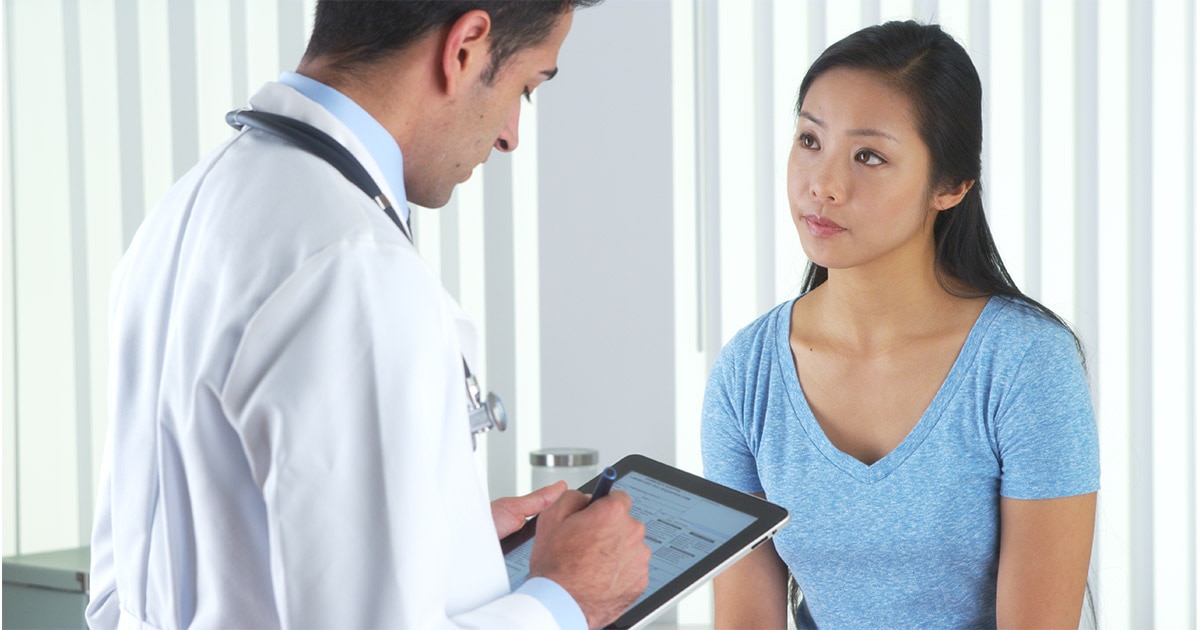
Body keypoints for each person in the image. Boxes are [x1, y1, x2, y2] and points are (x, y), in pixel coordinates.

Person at [86, 2, 650, 628]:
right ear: (464, 47)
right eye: (525, 88)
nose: (510, 134)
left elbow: (124, 598)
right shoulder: (352, 266)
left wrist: (451, 544)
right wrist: (565, 601)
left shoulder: (183, 210)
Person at [701, 20, 1099, 629]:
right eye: (810, 140)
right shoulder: (748, 372)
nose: (824, 185)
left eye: (869, 156)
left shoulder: (1026, 364)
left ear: (950, 185)